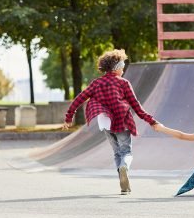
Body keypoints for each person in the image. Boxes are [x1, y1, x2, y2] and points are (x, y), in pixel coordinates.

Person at [62, 49, 158, 195]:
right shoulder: (124, 83)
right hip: (122, 120)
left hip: (105, 122)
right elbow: (136, 105)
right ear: (117, 68)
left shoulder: (96, 83)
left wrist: (69, 117)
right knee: (126, 151)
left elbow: (79, 99)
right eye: (122, 66)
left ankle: (123, 182)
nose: (123, 69)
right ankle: (124, 167)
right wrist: (150, 120)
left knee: (116, 153)